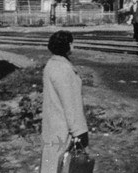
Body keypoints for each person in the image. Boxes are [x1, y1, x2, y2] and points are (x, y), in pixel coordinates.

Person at [41, 31, 90, 172]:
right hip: (64, 129)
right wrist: (78, 132)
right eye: (71, 42)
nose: (73, 45)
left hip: (52, 125)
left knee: (52, 163)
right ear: (67, 45)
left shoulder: (51, 64)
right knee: (65, 166)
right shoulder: (64, 69)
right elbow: (70, 104)